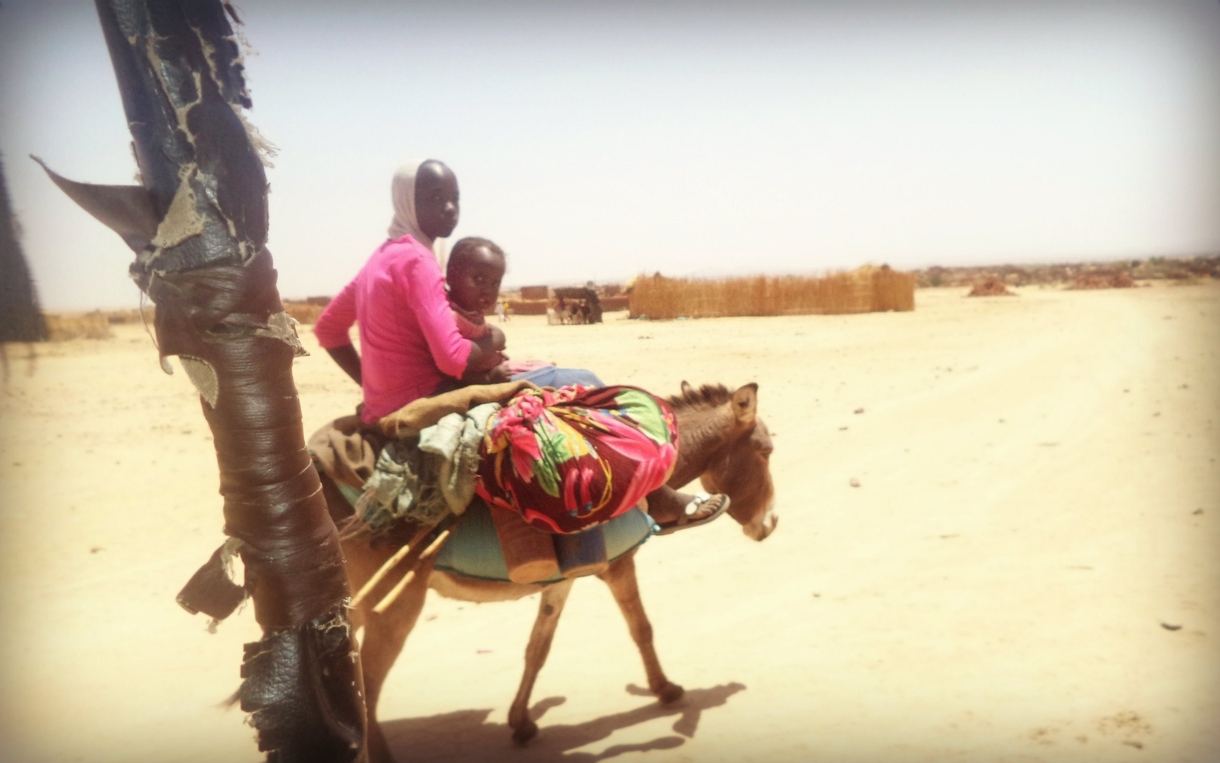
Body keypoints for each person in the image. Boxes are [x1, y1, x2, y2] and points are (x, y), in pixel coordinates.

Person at [316, 159, 726, 532]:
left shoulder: (378, 260)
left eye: (455, 198)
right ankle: (659, 498)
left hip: (383, 407)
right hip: (431, 395)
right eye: (435, 198)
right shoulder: (416, 260)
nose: (450, 208)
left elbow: (328, 330)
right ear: (407, 201)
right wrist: (495, 338)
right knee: (581, 382)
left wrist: (373, 387)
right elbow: (454, 358)